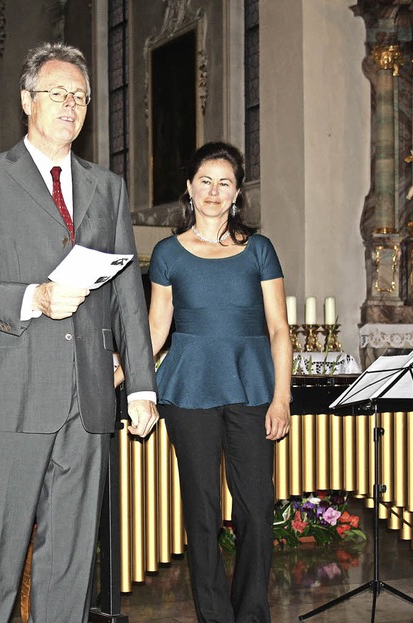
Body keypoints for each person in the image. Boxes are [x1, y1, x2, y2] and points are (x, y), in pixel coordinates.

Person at [0, 42, 158, 623]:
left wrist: (140, 385)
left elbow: (126, 294)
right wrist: (32, 298)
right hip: (12, 393)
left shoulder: (107, 188)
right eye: (58, 93)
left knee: (70, 564)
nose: (71, 105)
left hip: (86, 397)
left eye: (80, 97)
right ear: (26, 100)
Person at [147, 142, 292, 623]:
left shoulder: (260, 250)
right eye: (205, 181)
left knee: (255, 507)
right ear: (189, 188)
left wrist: (282, 398)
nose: (213, 191)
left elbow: (279, 329)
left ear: (237, 193)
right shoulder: (167, 253)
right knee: (202, 511)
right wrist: (125, 372)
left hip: (252, 388)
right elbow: (156, 328)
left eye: (224, 182)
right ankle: (214, 615)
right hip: (188, 391)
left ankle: (251, 614)